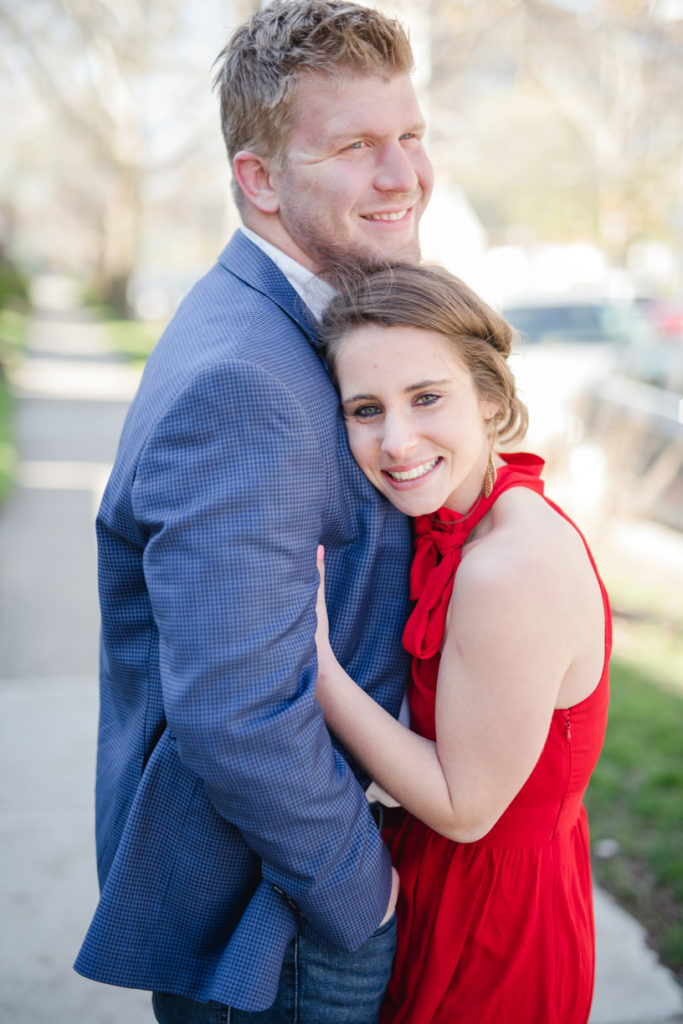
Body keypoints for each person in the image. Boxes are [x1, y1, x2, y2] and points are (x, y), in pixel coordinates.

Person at [74, 3, 433, 1022]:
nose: (402, 175)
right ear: (260, 180)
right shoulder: (246, 379)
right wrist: (358, 892)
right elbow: (236, 713)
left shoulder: (280, 315)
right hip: (277, 927)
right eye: (355, 147)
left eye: (410, 136)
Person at [315, 263, 611, 1024]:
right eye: (366, 409)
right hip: (441, 882)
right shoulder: (463, 515)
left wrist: (316, 667)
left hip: (492, 926)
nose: (396, 441)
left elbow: (464, 808)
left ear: (488, 398)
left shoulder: (510, 568)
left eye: (426, 397)